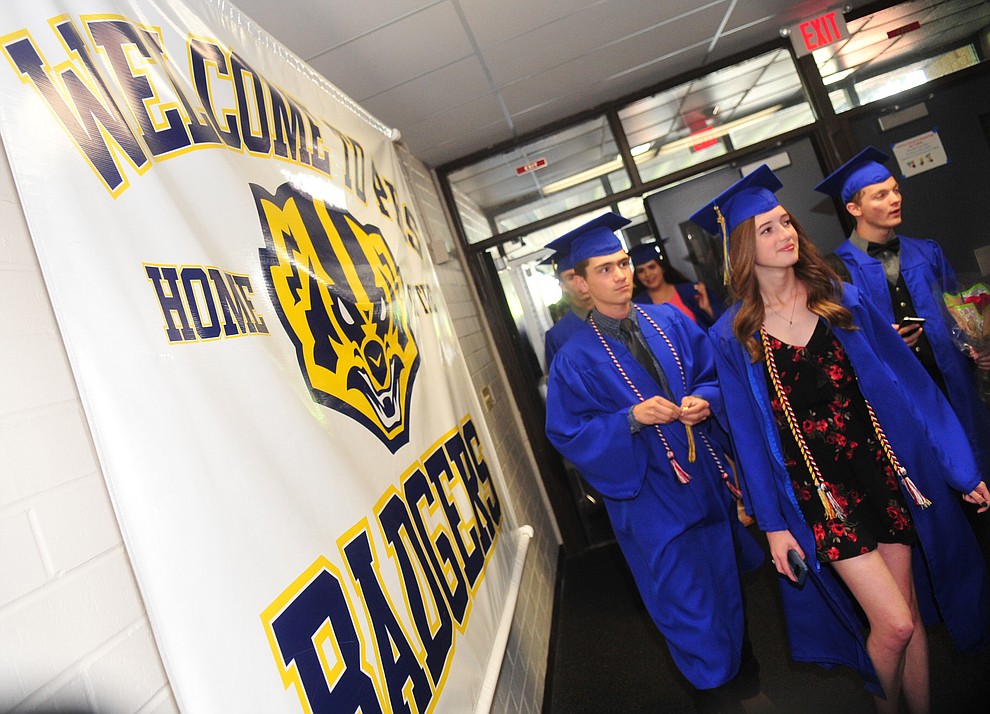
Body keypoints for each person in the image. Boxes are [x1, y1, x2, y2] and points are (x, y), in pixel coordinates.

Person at [696, 165, 990, 714]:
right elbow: (750, 439)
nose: (785, 233)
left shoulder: (839, 296)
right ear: (742, 248)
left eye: (785, 222)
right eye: (766, 229)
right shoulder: (734, 334)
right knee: (895, 625)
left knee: (908, 614)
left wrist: (959, 466)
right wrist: (776, 525)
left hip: (882, 472)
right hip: (820, 494)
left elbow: (910, 383)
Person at [544, 212, 765, 710]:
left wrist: (705, 399)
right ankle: (721, 698)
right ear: (580, 282)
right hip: (648, 497)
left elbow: (713, 374)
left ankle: (746, 684)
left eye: (623, 263)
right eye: (605, 269)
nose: (622, 275)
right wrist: (630, 419)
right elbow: (566, 431)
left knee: (727, 589)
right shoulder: (573, 357)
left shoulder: (669, 321)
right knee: (686, 605)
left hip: (704, 479)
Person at [814, 147, 990, 481]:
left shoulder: (927, 251)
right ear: (854, 208)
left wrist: (977, 348)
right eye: (880, 195)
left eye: (895, 190)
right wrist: (881, 340)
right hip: (903, 396)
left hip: (954, 384)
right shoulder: (836, 272)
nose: (895, 199)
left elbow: (960, 314)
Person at [629, 242, 724, 328]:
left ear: (662, 268)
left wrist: (708, 309)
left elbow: (722, 325)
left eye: (652, 267)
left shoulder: (692, 291)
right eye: (641, 271)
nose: (648, 274)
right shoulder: (638, 306)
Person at [542, 246, 594, 368]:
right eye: (571, 277)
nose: (579, 281)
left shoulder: (618, 314)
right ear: (563, 286)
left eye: (582, 274)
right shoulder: (557, 336)